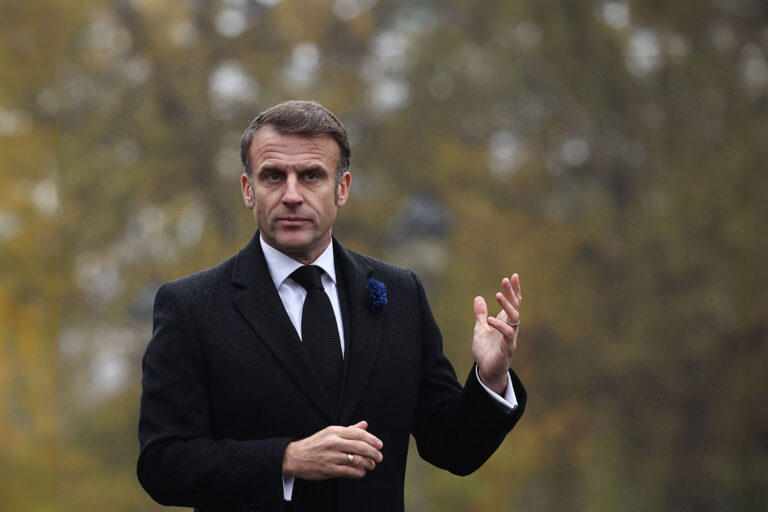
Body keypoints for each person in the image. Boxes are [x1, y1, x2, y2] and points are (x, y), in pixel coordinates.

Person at [137, 100, 526, 512]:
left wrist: (491, 380)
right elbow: (163, 463)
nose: (291, 195)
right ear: (248, 190)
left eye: (310, 176)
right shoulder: (192, 307)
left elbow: (452, 448)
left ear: (341, 188)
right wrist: (286, 459)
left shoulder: (401, 293)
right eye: (273, 176)